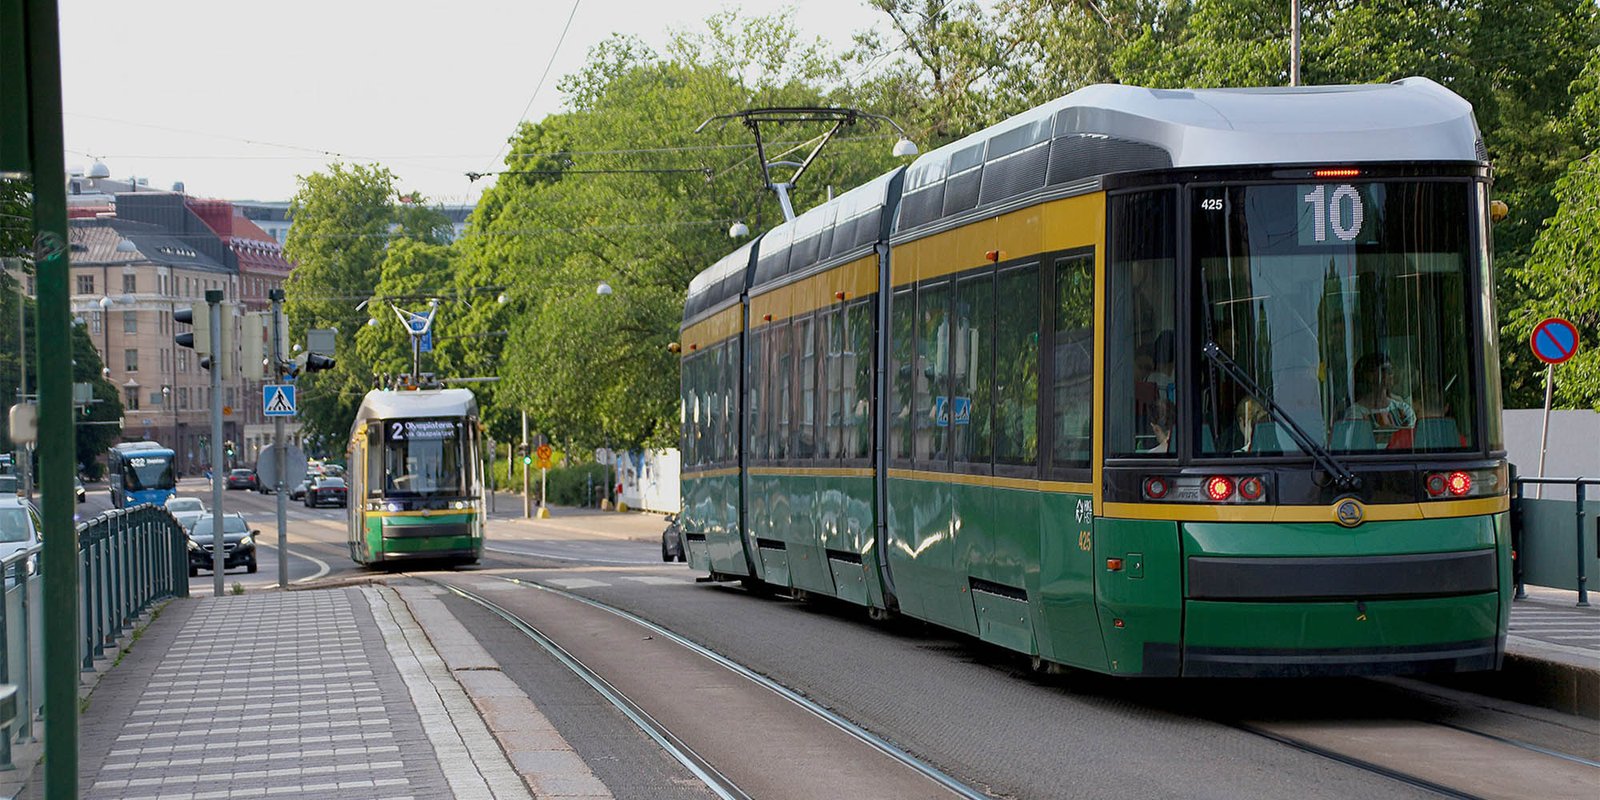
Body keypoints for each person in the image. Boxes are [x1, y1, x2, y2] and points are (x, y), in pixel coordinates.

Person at [1344, 353, 1415, 430]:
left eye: (1391, 369)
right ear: (1369, 375)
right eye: (1384, 370)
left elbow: (1413, 435)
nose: (1390, 373)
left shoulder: (1403, 409)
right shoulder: (1355, 413)